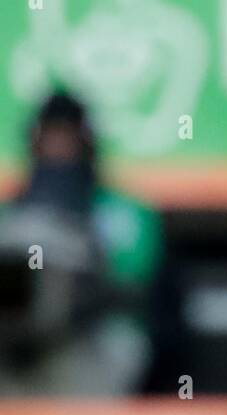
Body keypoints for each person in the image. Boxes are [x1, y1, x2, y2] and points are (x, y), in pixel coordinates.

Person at [0, 90, 173, 397]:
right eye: (50, 140)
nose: (59, 151)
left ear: (87, 143)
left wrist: (76, 291)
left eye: (68, 140)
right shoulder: (10, 219)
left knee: (120, 341)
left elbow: (142, 295)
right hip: (14, 362)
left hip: (87, 351)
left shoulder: (125, 214)